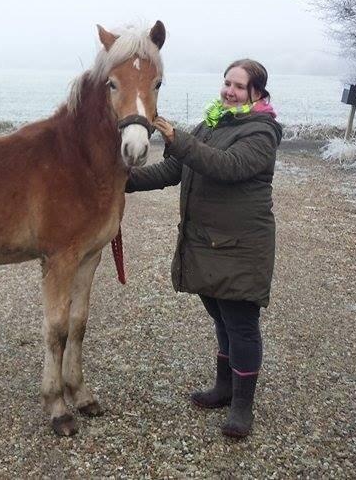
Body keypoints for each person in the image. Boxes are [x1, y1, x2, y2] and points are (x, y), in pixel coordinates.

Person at [126, 59, 282, 438]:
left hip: (242, 246)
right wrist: (121, 180)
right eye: (227, 82)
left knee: (241, 324)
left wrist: (179, 138)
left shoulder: (261, 132)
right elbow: (172, 171)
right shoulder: (213, 124)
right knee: (221, 316)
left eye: (239, 86)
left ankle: (242, 405)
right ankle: (225, 387)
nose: (229, 90)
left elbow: (225, 166)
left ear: (256, 93)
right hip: (209, 243)